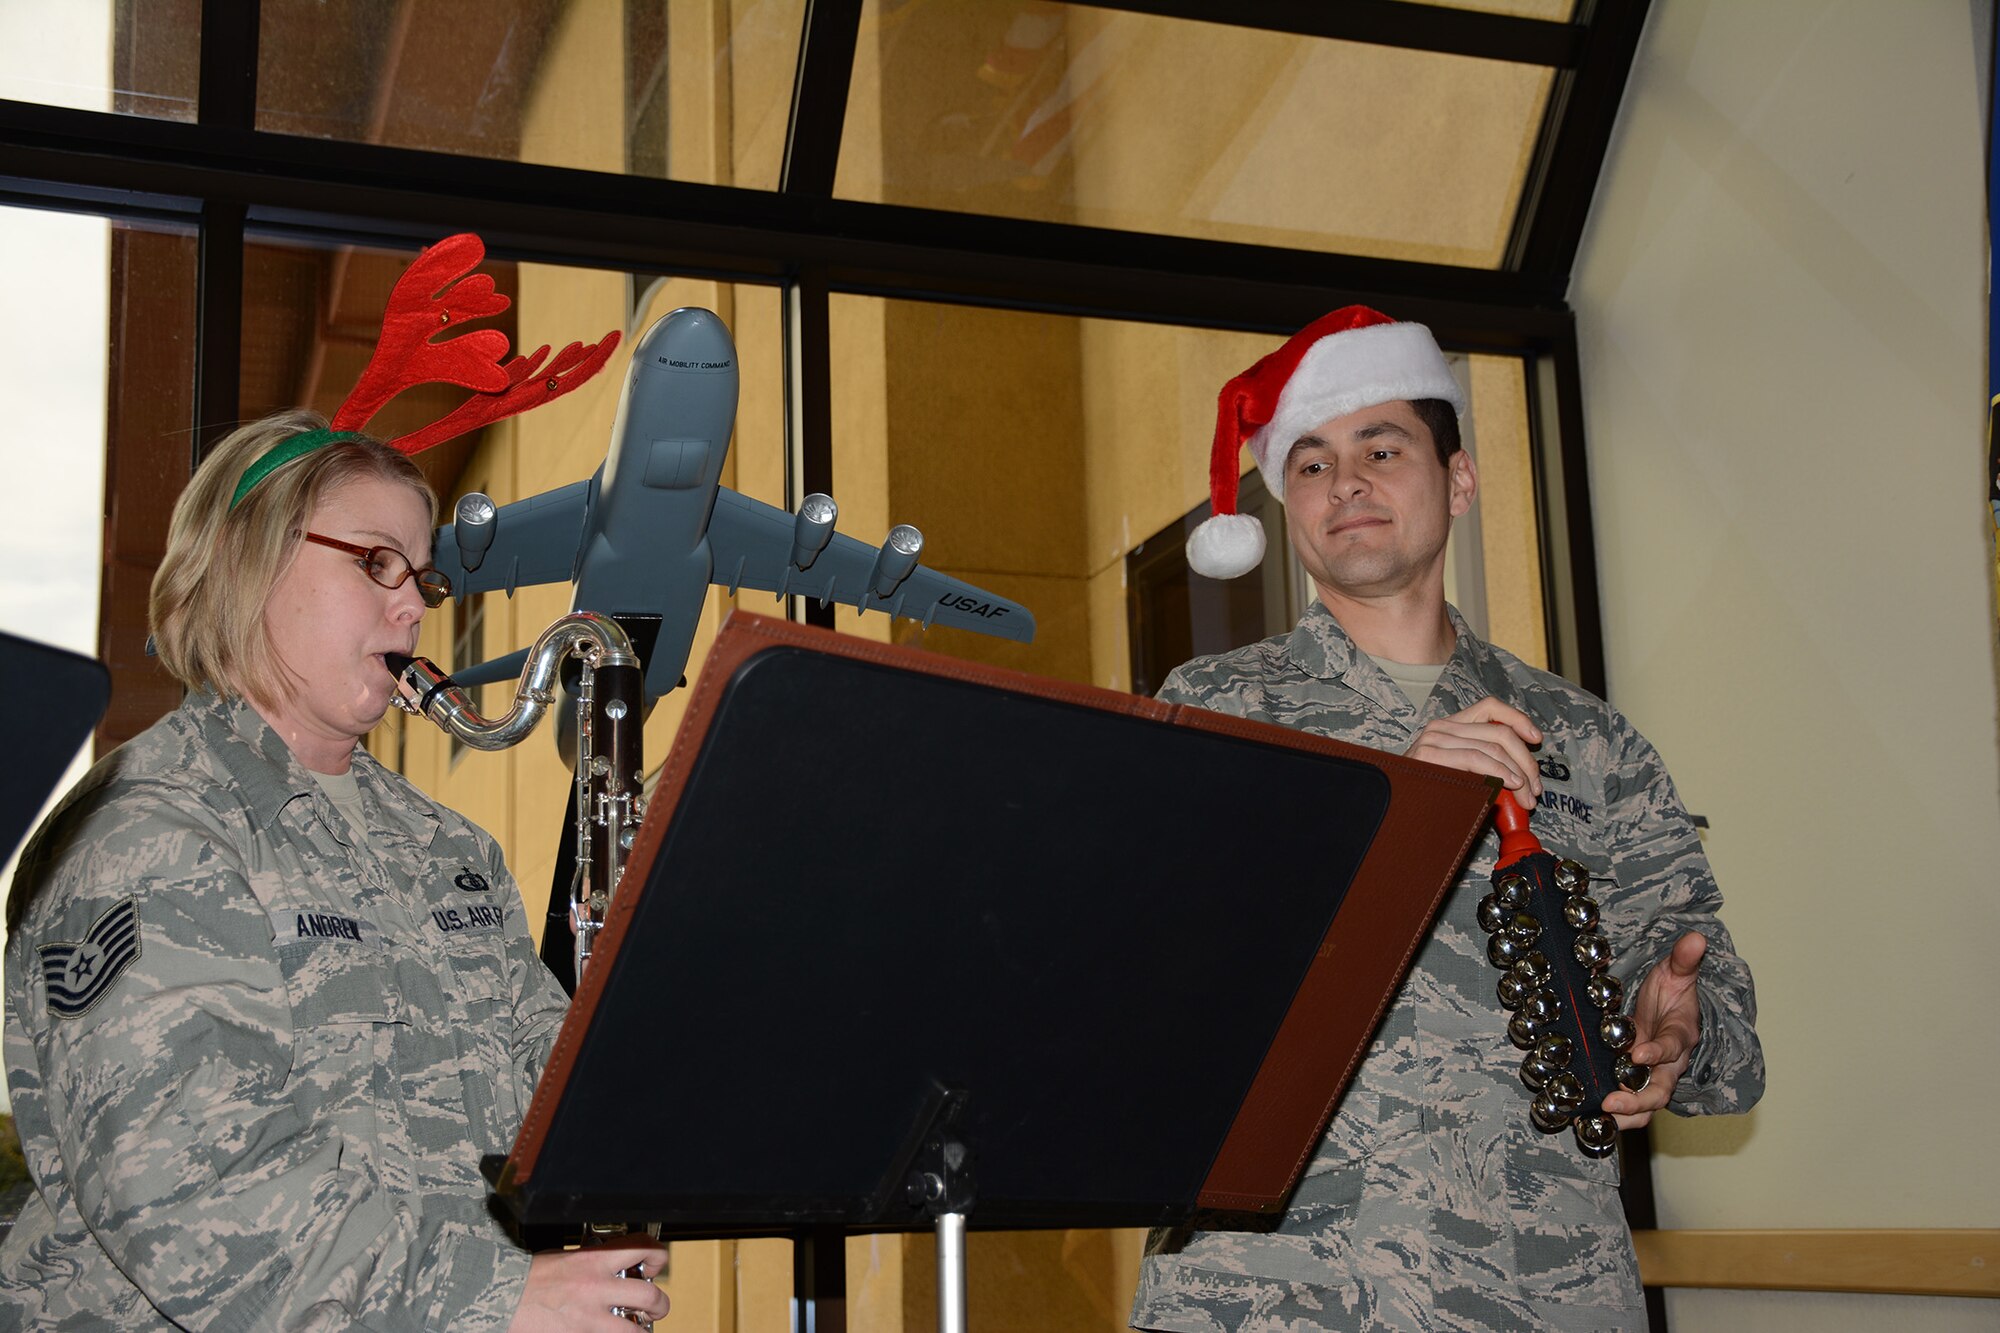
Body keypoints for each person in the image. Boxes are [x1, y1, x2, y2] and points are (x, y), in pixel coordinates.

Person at [1130, 308, 1764, 1332]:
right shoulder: (1210, 714)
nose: (1344, 484)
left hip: (1537, 1289)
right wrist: (1386, 810)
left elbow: (1715, 1022)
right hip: (1273, 1296)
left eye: (1381, 448)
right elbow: (1139, 988)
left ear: (1457, 481)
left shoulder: (1587, 742)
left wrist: (1680, 1029)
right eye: (1309, 464)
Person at [0, 410, 669, 1330]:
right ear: (252, 558)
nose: (416, 606)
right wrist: (500, 1295)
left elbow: (551, 1089)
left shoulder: (451, 849)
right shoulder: (142, 830)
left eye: (423, 575)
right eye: (375, 562)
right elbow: (191, 1193)